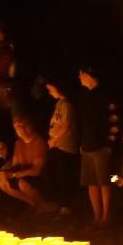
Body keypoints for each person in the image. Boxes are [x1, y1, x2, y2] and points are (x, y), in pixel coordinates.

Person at [78, 65, 116, 227]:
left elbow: (113, 120)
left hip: (101, 146)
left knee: (104, 181)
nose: (79, 78)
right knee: (91, 182)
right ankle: (97, 216)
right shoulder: (86, 96)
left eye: (81, 75)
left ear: (88, 75)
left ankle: (107, 216)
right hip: (88, 145)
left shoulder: (103, 95)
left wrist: (109, 143)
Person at [0, 116, 49, 210]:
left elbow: (37, 170)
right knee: (2, 181)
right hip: (22, 174)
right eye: (17, 127)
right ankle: (33, 203)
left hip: (40, 176)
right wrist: (5, 171)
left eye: (24, 126)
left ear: (31, 125)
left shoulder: (39, 142)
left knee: (23, 183)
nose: (21, 130)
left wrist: (15, 174)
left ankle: (44, 205)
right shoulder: (18, 144)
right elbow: (15, 164)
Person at [45, 77, 80, 215]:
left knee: (63, 176)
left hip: (65, 146)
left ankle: (66, 206)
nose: (49, 92)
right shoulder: (59, 104)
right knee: (53, 173)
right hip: (57, 145)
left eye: (51, 89)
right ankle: (57, 203)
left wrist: (54, 138)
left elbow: (65, 125)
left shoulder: (66, 105)